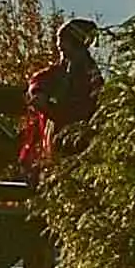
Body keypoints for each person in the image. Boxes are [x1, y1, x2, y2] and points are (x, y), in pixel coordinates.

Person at [20, 15, 106, 182]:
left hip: (78, 144)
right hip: (60, 141)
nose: (61, 54)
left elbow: (81, 112)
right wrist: (37, 91)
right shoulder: (63, 71)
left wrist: (50, 110)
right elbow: (42, 79)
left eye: (63, 49)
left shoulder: (90, 77)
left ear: (77, 46)